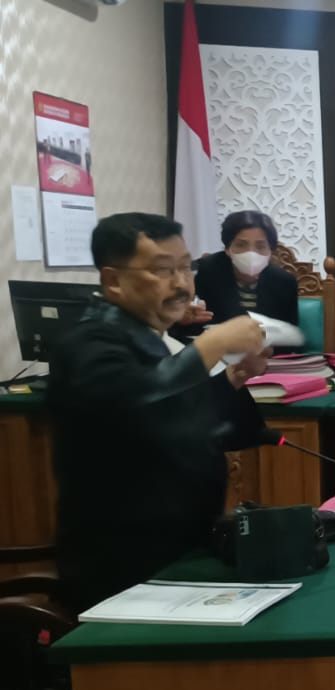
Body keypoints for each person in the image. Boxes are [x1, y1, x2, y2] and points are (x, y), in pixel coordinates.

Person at [47, 213, 272, 614]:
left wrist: (233, 378)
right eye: (163, 270)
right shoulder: (89, 344)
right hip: (124, 568)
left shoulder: (152, 337)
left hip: (184, 550)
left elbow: (187, 421)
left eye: (186, 267)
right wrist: (213, 344)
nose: (182, 284)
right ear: (114, 280)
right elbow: (142, 406)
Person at [188, 210, 301, 340]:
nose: (251, 253)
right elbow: (192, 327)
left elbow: (291, 336)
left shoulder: (284, 282)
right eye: (241, 245)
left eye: (260, 246)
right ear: (227, 248)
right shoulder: (206, 272)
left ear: (271, 250)